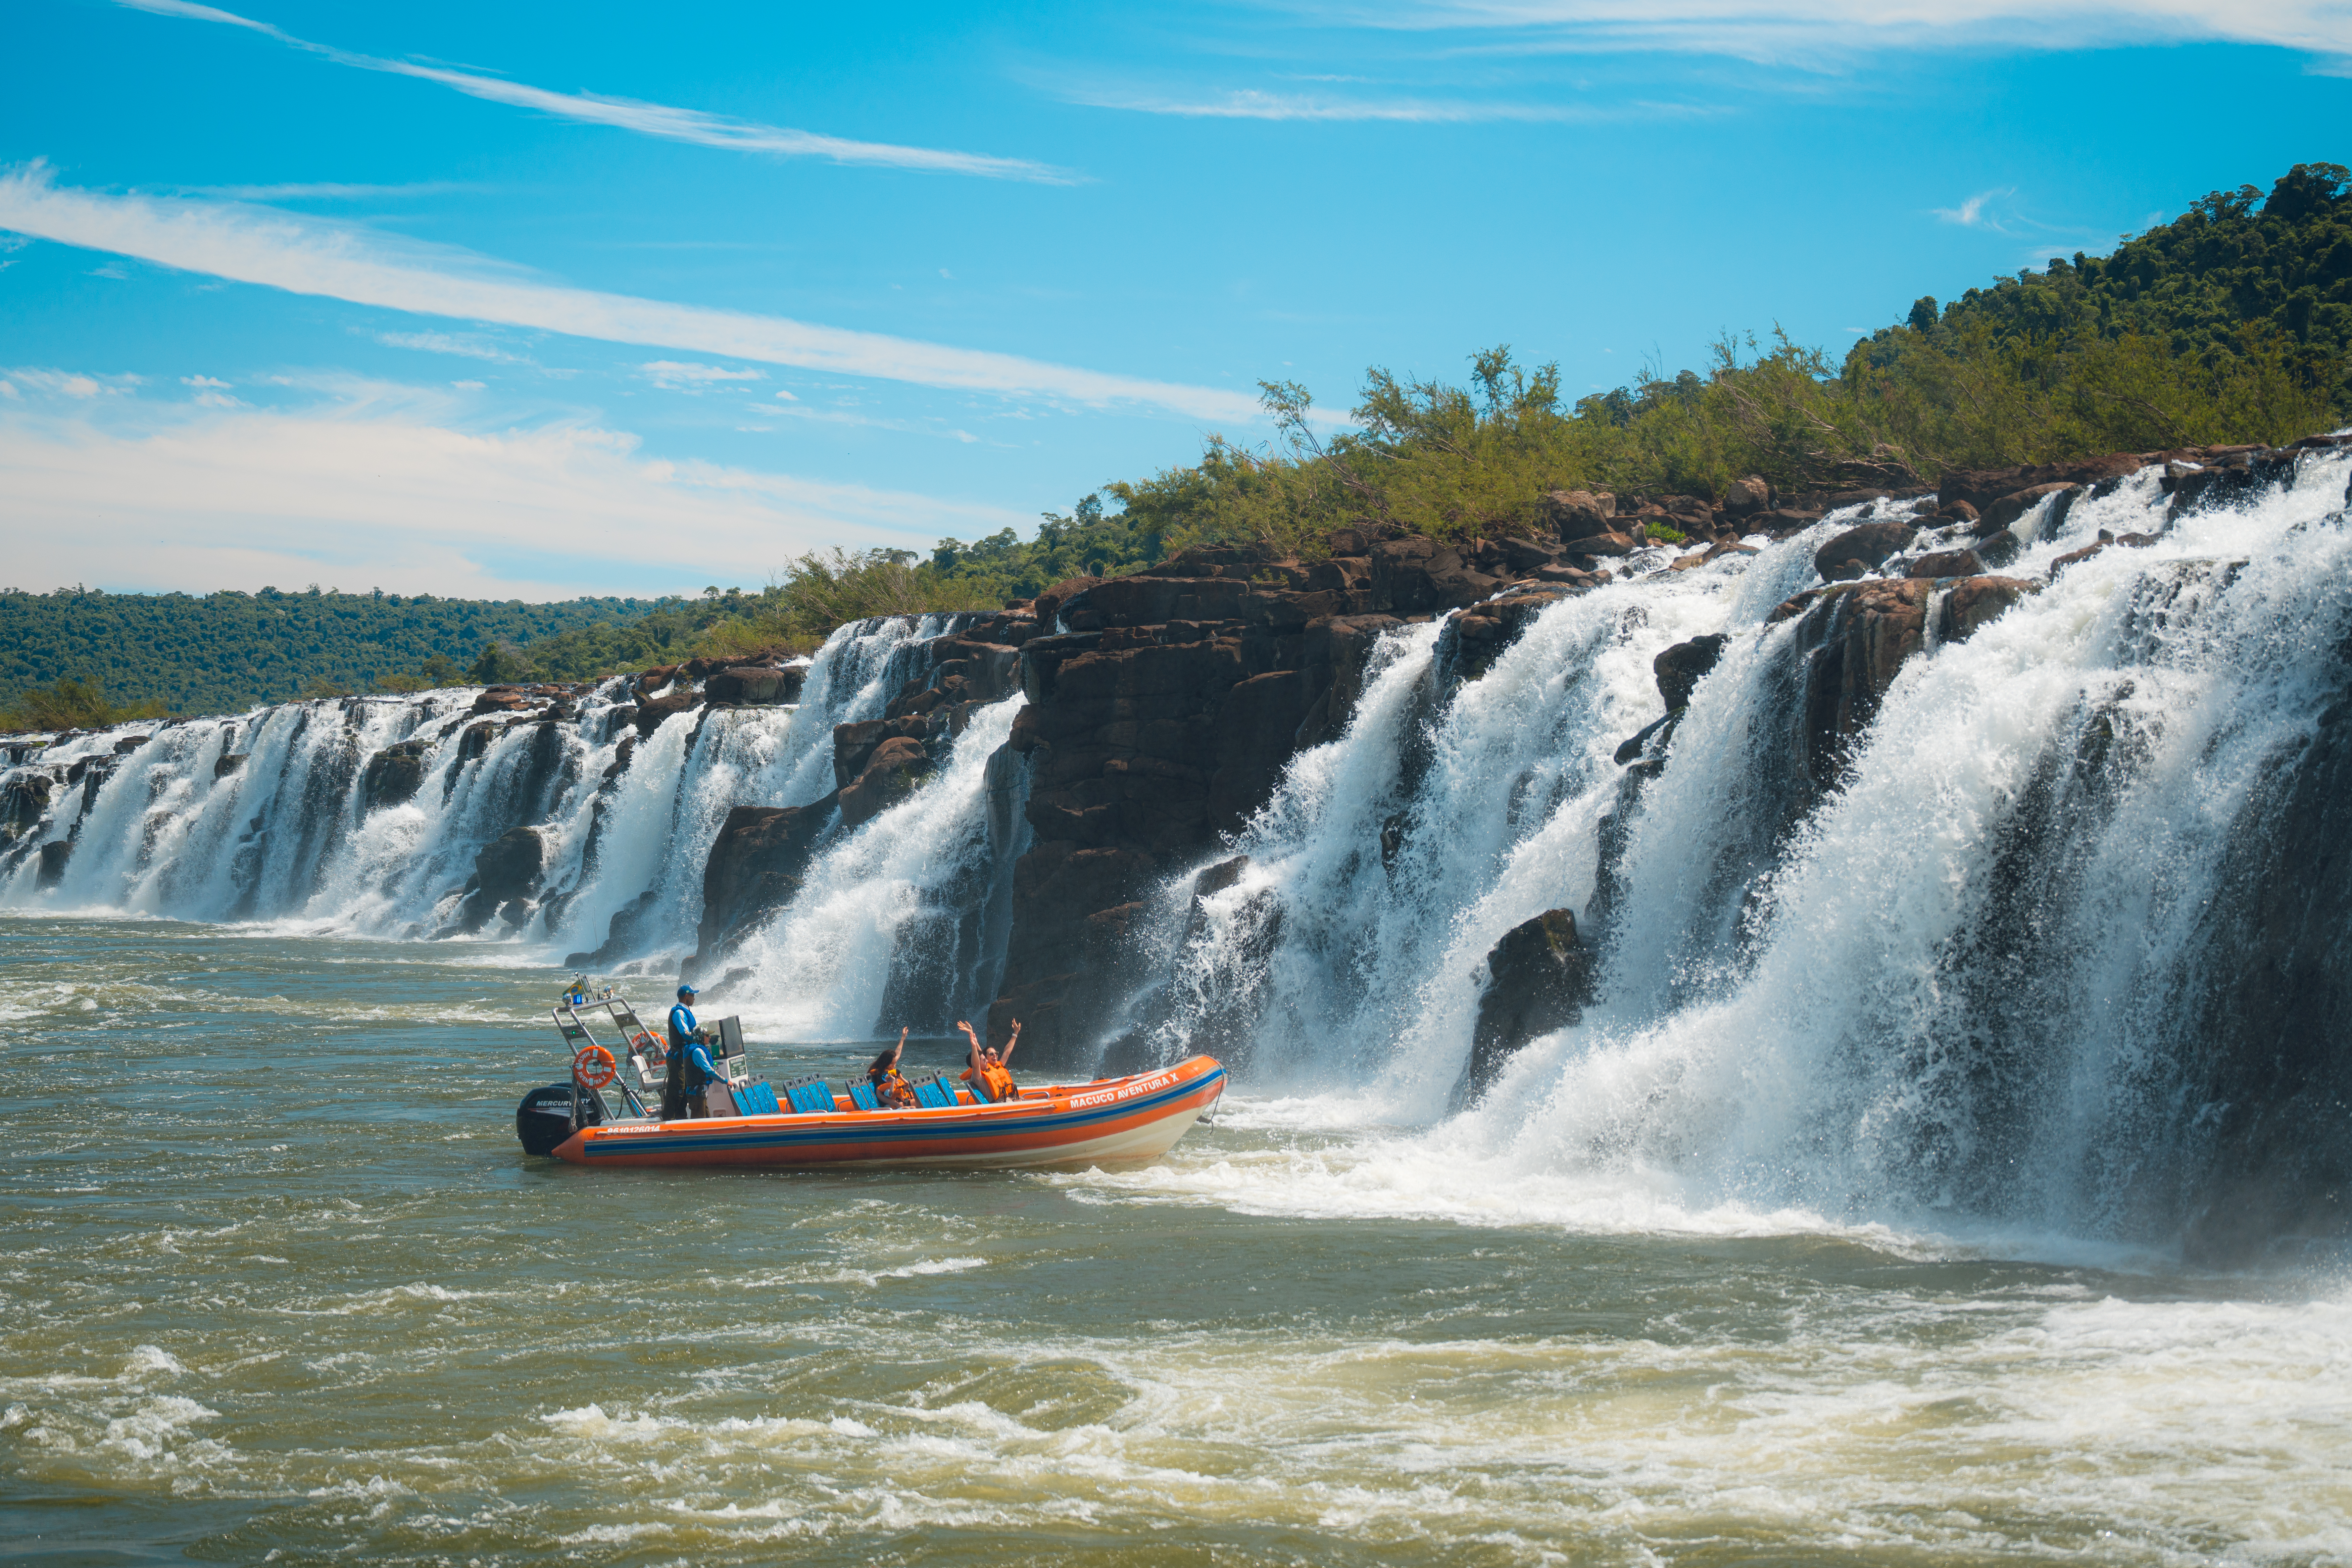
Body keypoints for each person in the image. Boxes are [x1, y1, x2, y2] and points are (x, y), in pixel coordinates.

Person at [661, 983, 722, 1119]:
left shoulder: (686, 1011)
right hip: (677, 1058)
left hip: (685, 1056)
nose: (694, 998)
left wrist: (706, 1038)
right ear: (686, 996)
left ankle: (681, 1120)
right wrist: (701, 1037)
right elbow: (685, 1033)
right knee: (677, 1091)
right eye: (693, 995)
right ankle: (668, 1120)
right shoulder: (679, 1013)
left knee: (684, 1092)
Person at [957, 1017, 1022, 1103]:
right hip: (1001, 1106)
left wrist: (1016, 1033)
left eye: (996, 1053)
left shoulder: (994, 1067)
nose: (995, 1056)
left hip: (1009, 1099)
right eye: (991, 1054)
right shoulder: (978, 1076)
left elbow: (1006, 1053)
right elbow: (976, 1063)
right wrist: (974, 1045)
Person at [867, 1027, 918, 1109]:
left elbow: (897, 1055)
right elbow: (879, 1095)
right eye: (892, 1063)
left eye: (895, 1063)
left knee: (920, 1102)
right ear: (885, 1062)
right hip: (893, 1104)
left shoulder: (891, 1070)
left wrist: (903, 1038)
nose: (894, 1066)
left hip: (901, 1100)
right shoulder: (883, 1075)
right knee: (914, 1106)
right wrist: (896, 1103)